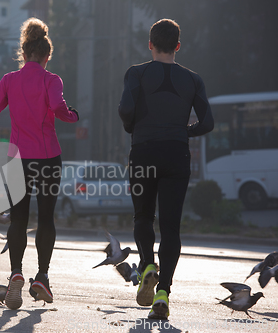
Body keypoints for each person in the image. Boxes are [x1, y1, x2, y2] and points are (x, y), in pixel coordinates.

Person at [118, 18, 214, 319]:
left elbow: (125, 109)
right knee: (171, 227)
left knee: (143, 216)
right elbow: (208, 122)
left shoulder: (136, 73)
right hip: (176, 155)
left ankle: (147, 264)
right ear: (178, 46)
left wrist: (133, 128)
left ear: (150, 44)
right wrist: (184, 131)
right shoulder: (193, 79)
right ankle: (164, 293)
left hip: (144, 152)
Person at [0, 17, 79, 310]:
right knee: (46, 218)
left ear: (23, 54)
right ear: (47, 55)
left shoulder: (9, 80)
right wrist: (72, 116)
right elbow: (58, 108)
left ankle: (15, 273)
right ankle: (43, 277)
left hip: (18, 158)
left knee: (18, 218)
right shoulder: (52, 79)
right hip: (48, 156)